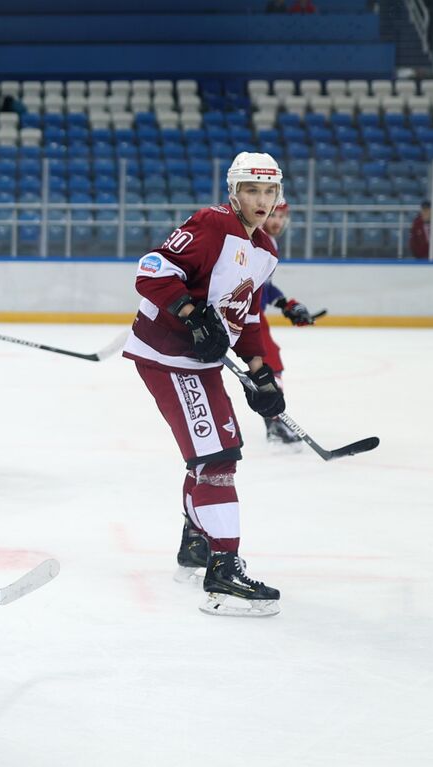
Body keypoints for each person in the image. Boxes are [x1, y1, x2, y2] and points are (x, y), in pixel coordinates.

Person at [122, 152, 287, 617]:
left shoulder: (266, 252)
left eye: (269, 191)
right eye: (251, 190)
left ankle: (197, 545)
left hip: (197, 363)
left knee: (212, 454)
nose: (261, 199)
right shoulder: (211, 224)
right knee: (217, 458)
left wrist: (260, 372)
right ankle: (223, 572)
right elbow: (152, 271)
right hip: (167, 356)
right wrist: (191, 316)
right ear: (234, 191)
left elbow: (246, 316)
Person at [254, 200, 318, 446]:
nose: (278, 222)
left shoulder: (269, 242)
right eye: (274, 215)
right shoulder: (256, 240)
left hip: (251, 314)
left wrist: (286, 305)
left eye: (282, 216)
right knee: (269, 362)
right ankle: (274, 421)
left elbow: (264, 287)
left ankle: (272, 419)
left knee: (268, 363)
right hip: (245, 314)